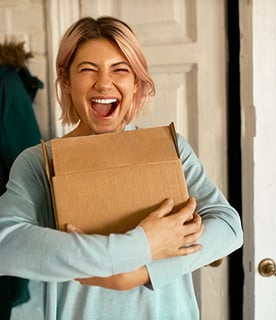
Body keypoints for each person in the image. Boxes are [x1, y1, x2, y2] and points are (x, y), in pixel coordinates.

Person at [0, 16, 243, 320]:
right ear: (66, 80)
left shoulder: (170, 148)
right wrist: (142, 245)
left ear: (136, 82)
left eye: (120, 70)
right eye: (88, 70)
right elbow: (6, 244)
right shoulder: (39, 163)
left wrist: (142, 271)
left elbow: (229, 226)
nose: (104, 83)